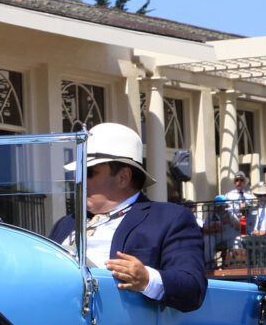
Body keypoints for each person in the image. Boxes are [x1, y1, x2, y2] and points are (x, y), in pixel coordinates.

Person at [48, 123, 207, 312]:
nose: (79, 180)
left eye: (89, 172)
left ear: (123, 177)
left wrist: (146, 279)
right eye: (78, 173)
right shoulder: (66, 224)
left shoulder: (169, 219)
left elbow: (192, 288)